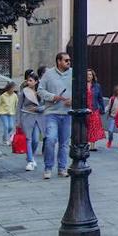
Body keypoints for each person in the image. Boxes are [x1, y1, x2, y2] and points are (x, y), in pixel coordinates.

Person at [37, 52, 74, 180]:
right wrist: (53, 97)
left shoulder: (73, 73)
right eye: (66, 60)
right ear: (59, 61)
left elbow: (80, 90)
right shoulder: (48, 74)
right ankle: (48, 168)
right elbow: (40, 90)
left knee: (64, 143)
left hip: (67, 113)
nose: (69, 62)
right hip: (52, 112)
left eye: (69, 60)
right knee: (51, 139)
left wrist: (73, 100)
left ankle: (62, 168)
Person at [19, 73, 45, 172]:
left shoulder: (41, 92)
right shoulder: (24, 92)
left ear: (36, 82)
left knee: (36, 140)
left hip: (38, 118)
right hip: (26, 117)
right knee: (28, 139)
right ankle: (30, 160)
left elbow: (45, 105)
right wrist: (18, 121)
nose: (28, 82)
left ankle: (31, 156)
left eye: (30, 80)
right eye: (27, 80)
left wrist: (38, 109)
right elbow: (19, 107)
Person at [86, 69, 106, 150]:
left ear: (93, 76)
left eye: (90, 74)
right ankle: (86, 143)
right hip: (85, 109)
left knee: (93, 127)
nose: (88, 76)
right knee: (86, 126)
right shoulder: (81, 85)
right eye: (87, 74)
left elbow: (100, 98)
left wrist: (102, 108)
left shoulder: (97, 86)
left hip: (94, 109)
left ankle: (92, 146)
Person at [0, 82, 18, 147]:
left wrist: (18, 112)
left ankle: (4, 135)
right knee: (6, 126)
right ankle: (5, 140)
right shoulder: (3, 96)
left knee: (11, 127)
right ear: (9, 88)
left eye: (14, 88)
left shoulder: (15, 95)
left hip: (11, 113)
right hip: (3, 113)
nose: (13, 89)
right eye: (12, 88)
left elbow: (17, 104)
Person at [105, 85, 118, 149]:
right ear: (117, 92)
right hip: (112, 117)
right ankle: (110, 140)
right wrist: (104, 110)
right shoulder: (112, 99)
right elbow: (108, 106)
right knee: (110, 130)